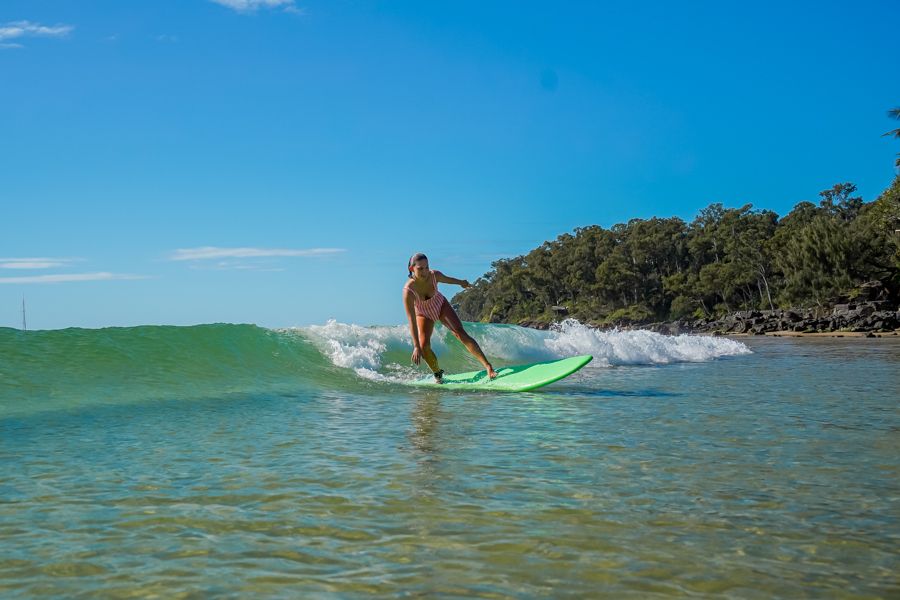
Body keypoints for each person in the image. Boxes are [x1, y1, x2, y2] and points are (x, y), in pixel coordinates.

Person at [403, 253, 497, 382]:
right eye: (420, 268)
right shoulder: (409, 290)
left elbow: (449, 279)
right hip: (423, 314)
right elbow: (411, 320)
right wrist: (416, 346)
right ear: (411, 269)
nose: (425, 271)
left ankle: (488, 366)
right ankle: (438, 374)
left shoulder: (434, 275)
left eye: (426, 267)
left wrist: (462, 283)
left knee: (460, 333)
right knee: (424, 347)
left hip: (440, 305)